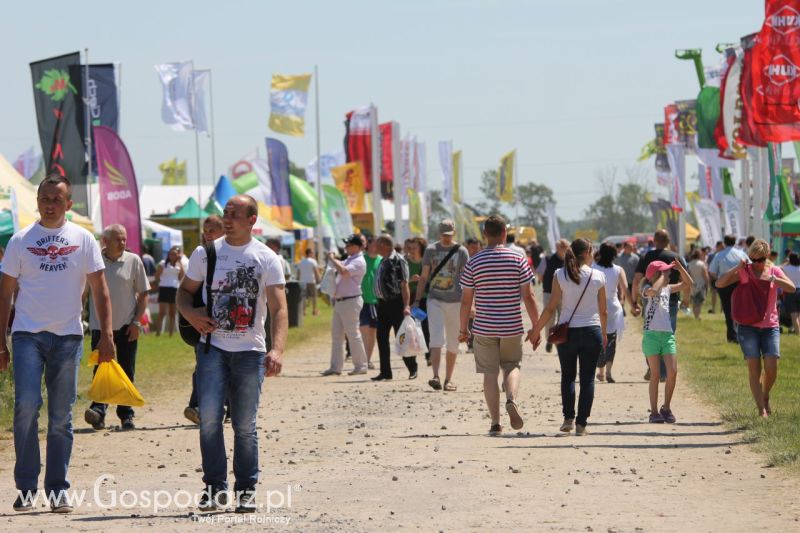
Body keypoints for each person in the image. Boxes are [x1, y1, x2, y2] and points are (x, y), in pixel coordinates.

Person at [0, 175, 114, 513]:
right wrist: (1, 344)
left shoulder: (84, 239)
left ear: (68, 204)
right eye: (45, 197)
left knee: (61, 416)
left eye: (57, 198)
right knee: (26, 408)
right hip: (27, 336)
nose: (50, 203)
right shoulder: (21, 241)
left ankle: (57, 489)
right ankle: (25, 487)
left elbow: (100, 290)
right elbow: (5, 293)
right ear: (37, 201)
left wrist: (106, 335)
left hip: (68, 337)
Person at [178, 194, 287, 512]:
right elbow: (184, 294)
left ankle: (246, 489)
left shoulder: (266, 258)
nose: (227, 218)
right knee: (209, 420)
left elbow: (279, 309)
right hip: (212, 350)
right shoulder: (206, 253)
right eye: (225, 212)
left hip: (250, 353)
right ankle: (214, 488)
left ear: (252, 220)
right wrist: (192, 315)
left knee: (245, 423)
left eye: (235, 214)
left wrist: (277, 349)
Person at [458, 215, 539, 435]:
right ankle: (511, 399)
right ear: (504, 233)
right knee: (512, 365)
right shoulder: (518, 258)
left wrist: (463, 329)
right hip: (511, 325)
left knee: (489, 373)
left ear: (485, 234)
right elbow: (529, 296)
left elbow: (466, 300)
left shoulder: (474, 261)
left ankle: (495, 423)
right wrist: (536, 326)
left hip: (484, 326)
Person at [531, 238, 607, 436]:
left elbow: (550, 308)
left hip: (567, 332)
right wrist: (605, 334)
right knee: (588, 379)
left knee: (568, 377)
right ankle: (582, 424)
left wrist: (536, 330)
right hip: (592, 330)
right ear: (588, 252)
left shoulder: (560, 274)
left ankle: (568, 418)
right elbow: (603, 311)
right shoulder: (598, 276)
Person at [716, 240, 795, 418]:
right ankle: (761, 410)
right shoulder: (745, 272)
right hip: (748, 327)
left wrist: (776, 279)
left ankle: (765, 395)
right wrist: (737, 267)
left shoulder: (774, 271)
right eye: (753, 259)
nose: (757, 263)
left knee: (772, 366)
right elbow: (720, 284)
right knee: (754, 369)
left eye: (760, 259)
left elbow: (791, 287)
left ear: (767, 257)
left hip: (771, 326)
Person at [84, 224, 150, 431]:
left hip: (127, 326)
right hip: (100, 327)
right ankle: (99, 412)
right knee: (101, 370)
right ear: (105, 241)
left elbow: (144, 294)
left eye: (124, 239)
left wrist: (137, 322)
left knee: (126, 371)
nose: (123, 243)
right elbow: (83, 294)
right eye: (118, 239)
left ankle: (126, 415)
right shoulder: (94, 262)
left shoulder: (134, 261)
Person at [414, 219, 469, 392]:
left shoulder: (461, 251)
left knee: (453, 341)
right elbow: (424, 276)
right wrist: (417, 299)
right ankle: (436, 376)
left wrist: (471, 304)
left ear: (454, 234)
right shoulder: (431, 250)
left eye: (449, 235)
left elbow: (468, 279)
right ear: (439, 233)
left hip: (456, 301)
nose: (446, 238)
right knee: (436, 338)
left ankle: (448, 379)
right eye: (444, 235)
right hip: (435, 299)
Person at [184, 215, 226, 426]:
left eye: (212, 230)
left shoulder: (233, 254)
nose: (207, 234)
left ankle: (224, 407)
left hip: (231, 324)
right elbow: (187, 289)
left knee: (227, 368)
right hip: (204, 322)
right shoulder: (200, 255)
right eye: (205, 230)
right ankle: (198, 406)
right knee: (204, 365)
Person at [631, 230, 688, 381]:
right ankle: (662, 371)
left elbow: (637, 280)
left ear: (654, 240)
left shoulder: (646, 257)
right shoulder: (676, 257)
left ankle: (654, 367)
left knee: (650, 333)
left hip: (650, 300)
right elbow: (686, 280)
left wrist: (634, 301)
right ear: (668, 241)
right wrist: (687, 299)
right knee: (668, 335)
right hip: (672, 300)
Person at [640, 260, 692, 423]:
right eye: (665, 272)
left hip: (667, 335)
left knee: (673, 372)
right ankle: (654, 412)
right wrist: (663, 277)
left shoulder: (668, 288)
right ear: (657, 275)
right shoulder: (646, 289)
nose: (669, 275)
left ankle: (666, 407)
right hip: (651, 336)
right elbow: (653, 292)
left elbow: (688, 283)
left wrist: (681, 268)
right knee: (655, 374)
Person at [321, 234, 368, 376]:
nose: (346, 247)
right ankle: (335, 367)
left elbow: (344, 271)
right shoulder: (349, 259)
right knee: (337, 335)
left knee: (353, 334)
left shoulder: (359, 261)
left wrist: (332, 259)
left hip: (351, 300)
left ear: (358, 246)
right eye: (346, 245)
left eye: (349, 245)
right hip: (341, 300)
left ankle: (361, 365)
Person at [373, 235, 416, 380]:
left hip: (397, 304)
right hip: (383, 305)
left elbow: (404, 285)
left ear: (385, 245)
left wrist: (406, 306)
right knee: (381, 337)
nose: (375, 247)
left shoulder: (399, 260)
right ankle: (385, 372)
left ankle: (412, 367)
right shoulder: (383, 260)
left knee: (402, 337)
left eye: (377, 245)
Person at [593, 243, 627, 383]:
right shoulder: (618, 270)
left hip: (596, 307)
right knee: (611, 340)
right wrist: (633, 304)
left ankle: (600, 372)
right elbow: (625, 288)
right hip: (614, 307)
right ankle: (608, 371)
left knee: (600, 339)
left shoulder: (593, 268)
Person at [709, 235, 749, 343]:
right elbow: (749, 266)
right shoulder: (741, 253)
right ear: (735, 241)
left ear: (724, 243)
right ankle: (742, 334)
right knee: (740, 308)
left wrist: (719, 279)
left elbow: (712, 271)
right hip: (740, 283)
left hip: (725, 284)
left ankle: (731, 336)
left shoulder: (719, 255)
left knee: (728, 310)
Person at [540, 239, 570, 353]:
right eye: (564, 247)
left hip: (564, 294)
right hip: (549, 293)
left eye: (567, 247)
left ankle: (561, 340)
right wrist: (547, 283)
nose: (566, 250)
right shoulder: (547, 259)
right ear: (558, 248)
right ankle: (549, 339)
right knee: (549, 319)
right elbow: (540, 273)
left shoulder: (570, 261)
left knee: (563, 319)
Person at [406, 237, 430, 365]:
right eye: (410, 248)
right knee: (412, 328)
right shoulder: (405, 262)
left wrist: (423, 279)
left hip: (424, 298)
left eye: (415, 248)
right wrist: (410, 280)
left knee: (425, 327)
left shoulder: (426, 263)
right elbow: (400, 281)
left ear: (421, 248)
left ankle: (429, 355)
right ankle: (413, 357)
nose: (412, 250)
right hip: (411, 299)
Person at [360, 237, 381, 370]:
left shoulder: (381, 260)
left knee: (372, 330)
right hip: (361, 299)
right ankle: (362, 359)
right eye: (373, 244)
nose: (375, 247)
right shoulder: (362, 259)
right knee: (363, 329)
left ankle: (367, 359)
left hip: (376, 301)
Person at [154, 246, 185, 336]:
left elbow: (181, 277)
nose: (173, 255)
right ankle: (158, 333)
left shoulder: (179, 265)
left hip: (174, 289)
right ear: (168, 255)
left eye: (175, 254)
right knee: (162, 312)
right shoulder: (163, 263)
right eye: (171, 254)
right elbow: (157, 275)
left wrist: (180, 263)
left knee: (172, 313)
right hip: (164, 288)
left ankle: (171, 333)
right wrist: (160, 283)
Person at [296, 248, 320, 317]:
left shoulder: (301, 262)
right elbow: (316, 271)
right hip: (311, 281)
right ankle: (314, 311)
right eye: (312, 253)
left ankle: (304, 311)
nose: (313, 254)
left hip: (302, 281)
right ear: (309, 253)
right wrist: (319, 279)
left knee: (303, 297)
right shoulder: (313, 261)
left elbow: (298, 273)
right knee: (314, 297)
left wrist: (297, 280)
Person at [687, 249, 710, 320]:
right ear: (700, 255)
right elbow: (705, 276)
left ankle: (695, 316)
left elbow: (688, 275)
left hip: (692, 285)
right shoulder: (702, 264)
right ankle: (697, 316)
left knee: (694, 301)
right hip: (701, 285)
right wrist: (707, 285)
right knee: (699, 302)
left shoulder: (690, 264)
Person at [782, 252, 800, 334]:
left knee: (794, 315)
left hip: (791, 291)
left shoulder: (786, 268)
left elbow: (777, 267)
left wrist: (786, 262)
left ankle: (797, 332)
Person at [706, 241, 724, 314]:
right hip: (714, 277)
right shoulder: (711, 255)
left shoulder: (723, 255)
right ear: (718, 246)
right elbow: (708, 266)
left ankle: (722, 310)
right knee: (714, 294)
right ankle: (713, 309)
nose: (723, 248)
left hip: (722, 277)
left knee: (722, 294)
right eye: (722, 246)